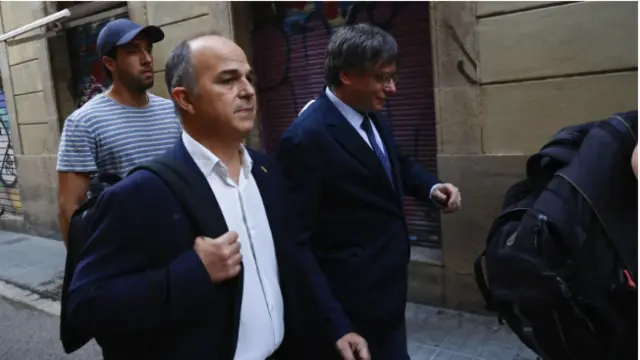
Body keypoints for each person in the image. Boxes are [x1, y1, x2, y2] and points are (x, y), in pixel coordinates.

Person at [276, 23, 462, 360]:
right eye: (381, 78)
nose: (392, 89)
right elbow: (295, 243)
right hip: (351, 312)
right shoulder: (305, 139)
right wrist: (335, 324)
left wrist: (432, 187)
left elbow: (396, 163)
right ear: (347, 76)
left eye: (392, 77)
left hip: (386, 297)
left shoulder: (369, 113)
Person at [56, 19, 181, 243]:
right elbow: (70, 209)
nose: (147, 59)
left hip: (181, 242)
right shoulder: (84, 122)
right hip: (127, 252)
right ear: (109, 63)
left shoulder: (172, 112)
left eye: (148, 49)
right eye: (133, 52)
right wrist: (85, 269)